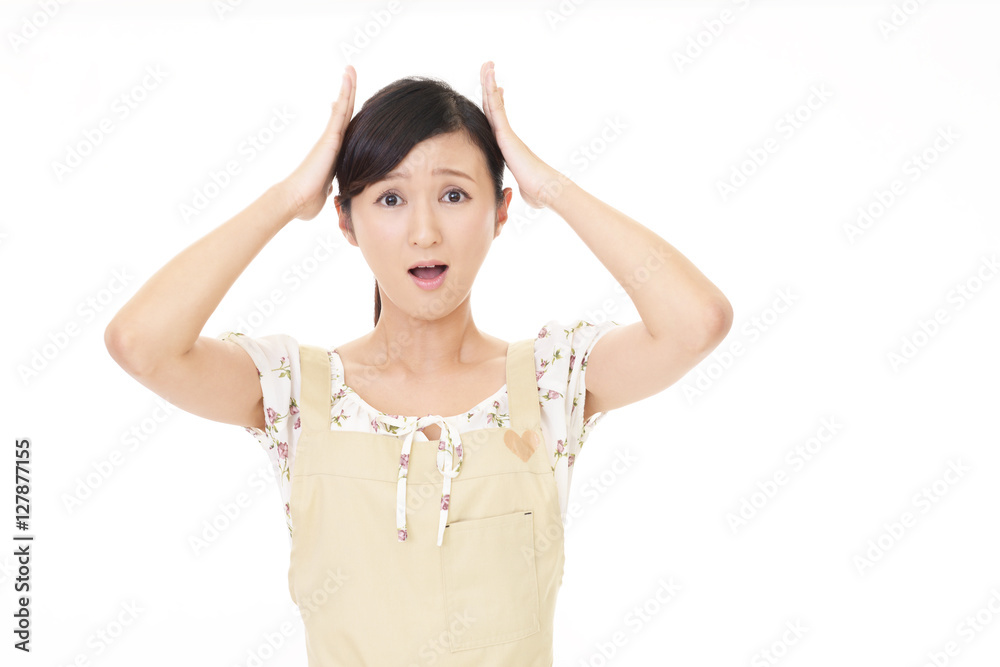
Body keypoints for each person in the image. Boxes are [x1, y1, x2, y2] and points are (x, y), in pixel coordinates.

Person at [105, 61, 733, 666]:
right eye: (390, 199)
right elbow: (140, 343)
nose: (425, 231)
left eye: (454, 194)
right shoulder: (293, 392)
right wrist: (286, 198)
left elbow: (697, 322)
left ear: (501, 211)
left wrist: (550, 187)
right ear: (346, 220)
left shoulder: (551, 382)